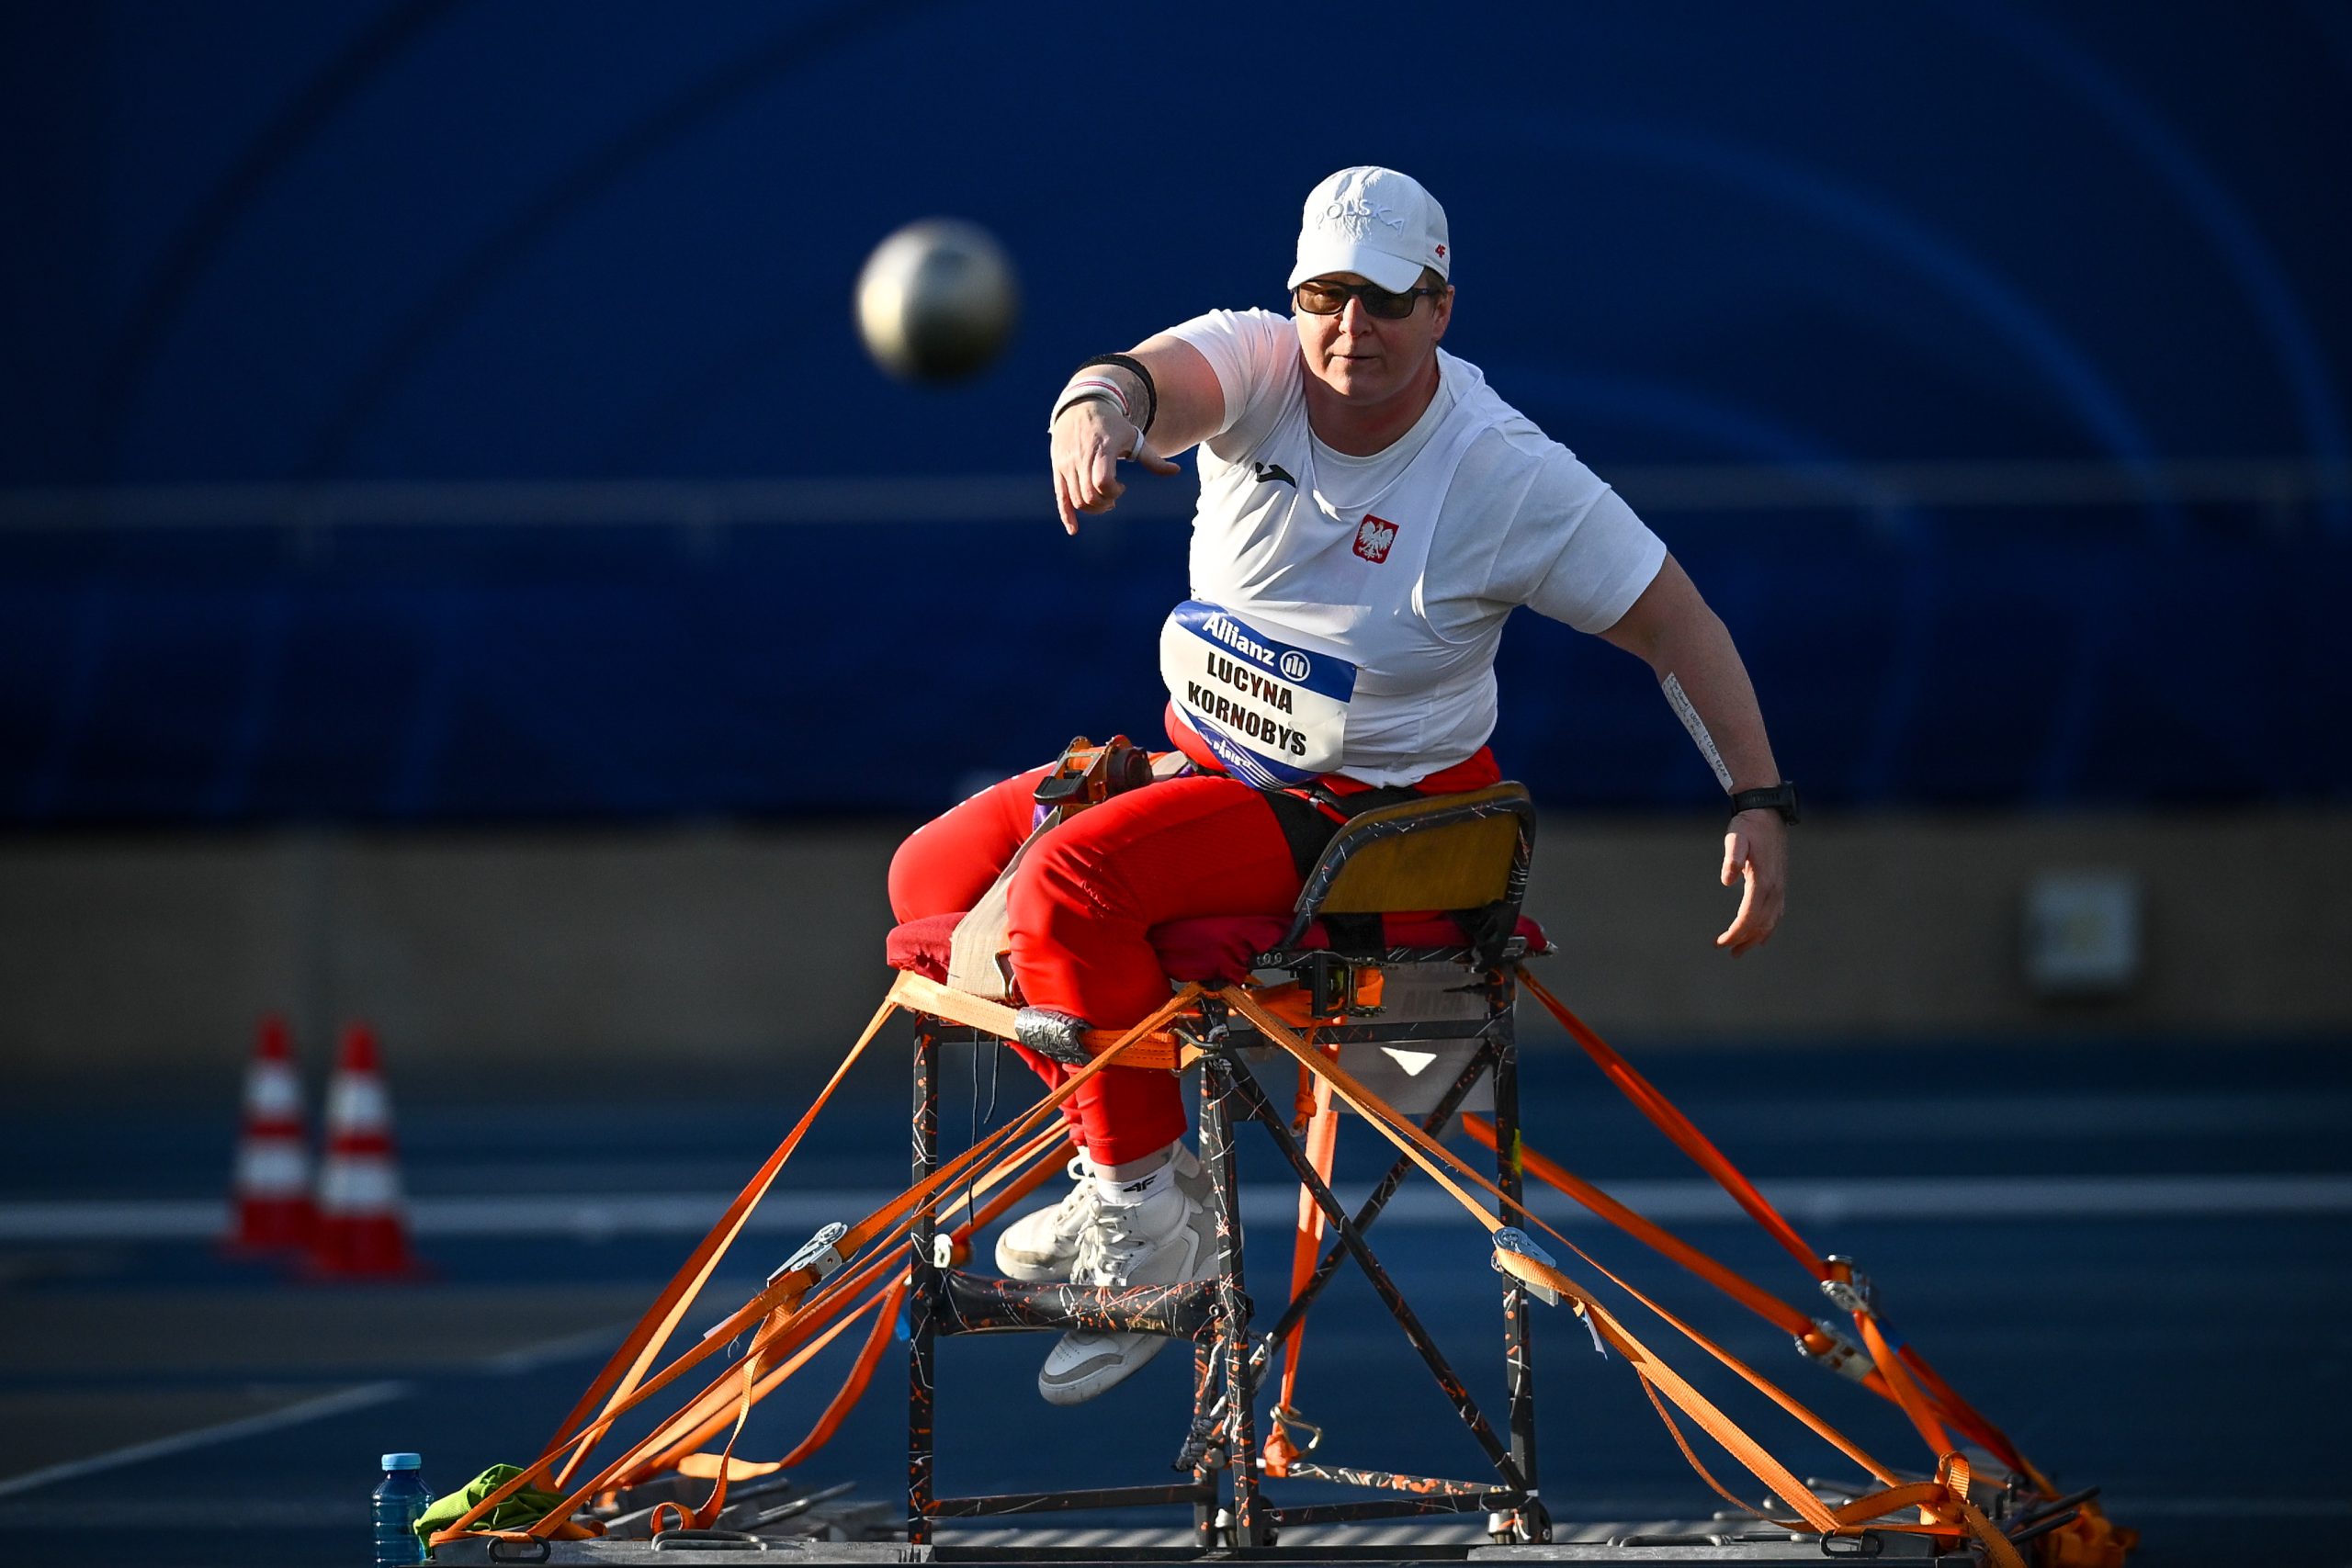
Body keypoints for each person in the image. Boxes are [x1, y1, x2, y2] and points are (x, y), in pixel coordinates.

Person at [887, 165, 1794, 1407]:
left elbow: (1678, 623)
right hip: (1203, 764)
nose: (1350, 327)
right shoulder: (1259, 365)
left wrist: (1757, 800)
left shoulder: (1503, 471)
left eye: (1386, 299)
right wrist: (1087, 415)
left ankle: (1141, 1218)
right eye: (1325, 293)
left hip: (1359, 824)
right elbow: (1138, 378)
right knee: (929, 878)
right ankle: (1137, 1166)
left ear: (1442, 309)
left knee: (1066, 890)